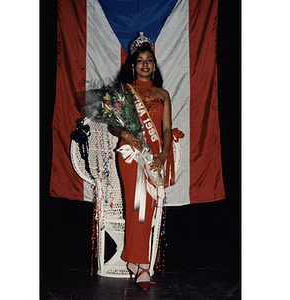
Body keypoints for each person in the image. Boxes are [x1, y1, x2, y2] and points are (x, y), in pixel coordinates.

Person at [111, 33, 172, 291]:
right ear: (133, 65)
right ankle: (143, 265)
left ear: (154, 65)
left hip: (154, 156)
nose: (145, 64)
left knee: (146, 206)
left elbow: (167, 129)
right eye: (140, 61)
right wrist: (126, 134)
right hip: (130, 153)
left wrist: (164, 154)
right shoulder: (124, 91)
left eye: (149, 60)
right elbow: (114, 125)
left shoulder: (163, 93)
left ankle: (133, 260)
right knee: (136, 206)